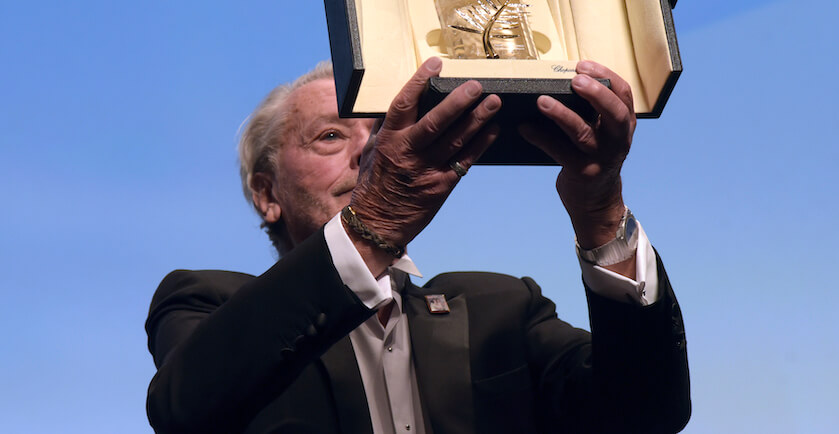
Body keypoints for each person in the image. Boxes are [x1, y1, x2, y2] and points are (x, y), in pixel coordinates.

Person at [145, 57, 690, 433]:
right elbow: (185, 408)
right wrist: (373, 221)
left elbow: (644, 413)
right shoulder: (207, 302)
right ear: (268, 193)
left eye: (380, 132)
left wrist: (599, 210)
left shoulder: (501, 308)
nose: (368, 152)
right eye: (330, 136)